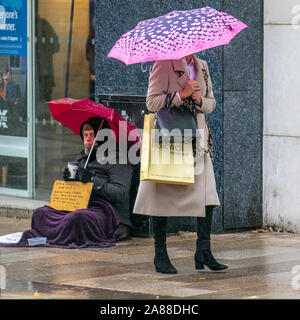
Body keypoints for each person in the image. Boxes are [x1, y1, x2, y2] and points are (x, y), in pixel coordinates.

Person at [133, 54, 228, 273]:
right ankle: (160, 255)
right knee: (162, 195)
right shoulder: (163, 64)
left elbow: (211, 103)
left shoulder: (202, 66)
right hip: (171, 137)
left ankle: (203, 251)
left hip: (199, 139)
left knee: (207, 195)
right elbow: (151, 102)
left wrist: (198, 100)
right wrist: (180, 94)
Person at [1, 117, 133, 248]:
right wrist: (70, 180)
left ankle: (59, 234)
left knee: (78, 217)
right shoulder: (82, 157)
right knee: (40, 213)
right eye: (85, 135)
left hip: (105, 211)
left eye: (92, 135)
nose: (87, 139)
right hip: (80, 204)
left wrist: (93, 180)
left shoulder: (117, 158)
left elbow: (120, 192)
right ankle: (60, 235)